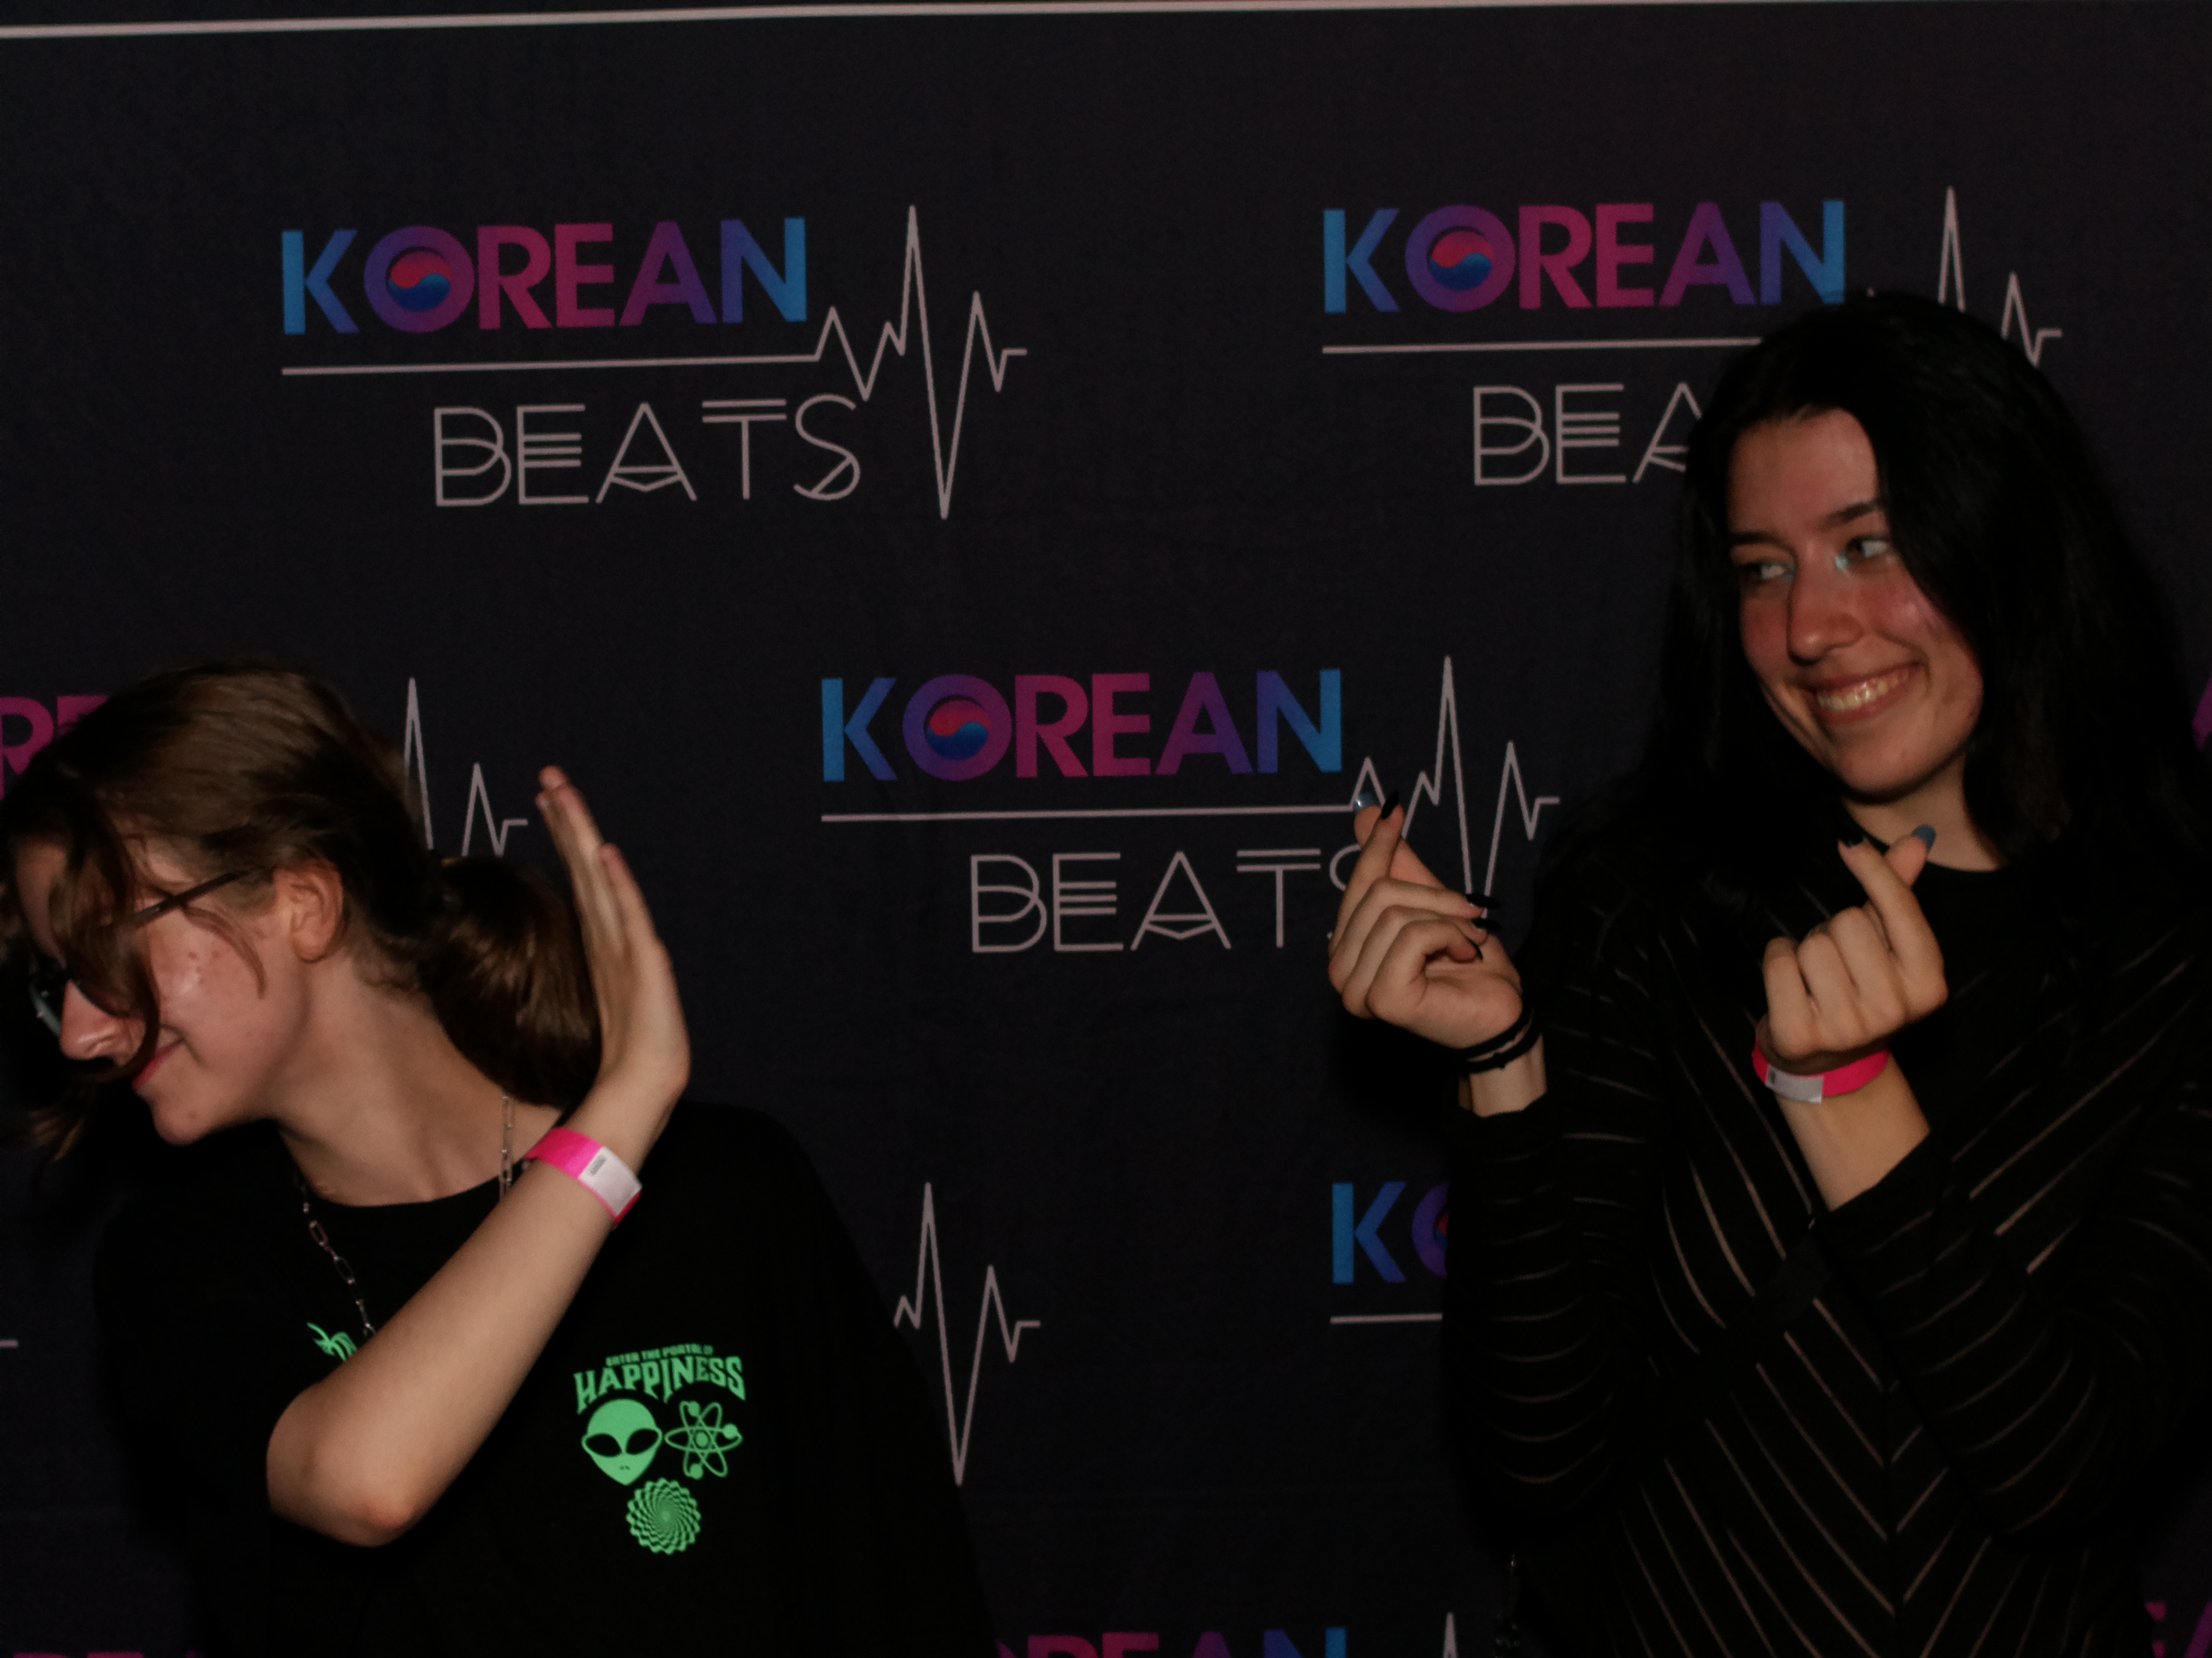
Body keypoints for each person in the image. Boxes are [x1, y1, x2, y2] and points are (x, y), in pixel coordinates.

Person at [1328, 295, 2212, 1656]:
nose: (1809, 624)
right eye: (1760, 569)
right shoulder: (1651, 909)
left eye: (1869, 544)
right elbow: (1538, 1462)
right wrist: (1502, 1068)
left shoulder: (2178, 953)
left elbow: (2057, 1464)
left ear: (2014, 541)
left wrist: (1843, 1093)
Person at [2, 662, 991, 1656]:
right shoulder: (184, 1261)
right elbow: (366, 1482)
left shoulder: (728, 1196)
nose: (80, 1032)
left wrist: (624, 1121)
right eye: (59, 983)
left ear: (302, 902)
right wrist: (622, 1110)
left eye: (104, 955)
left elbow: (907, 1597)